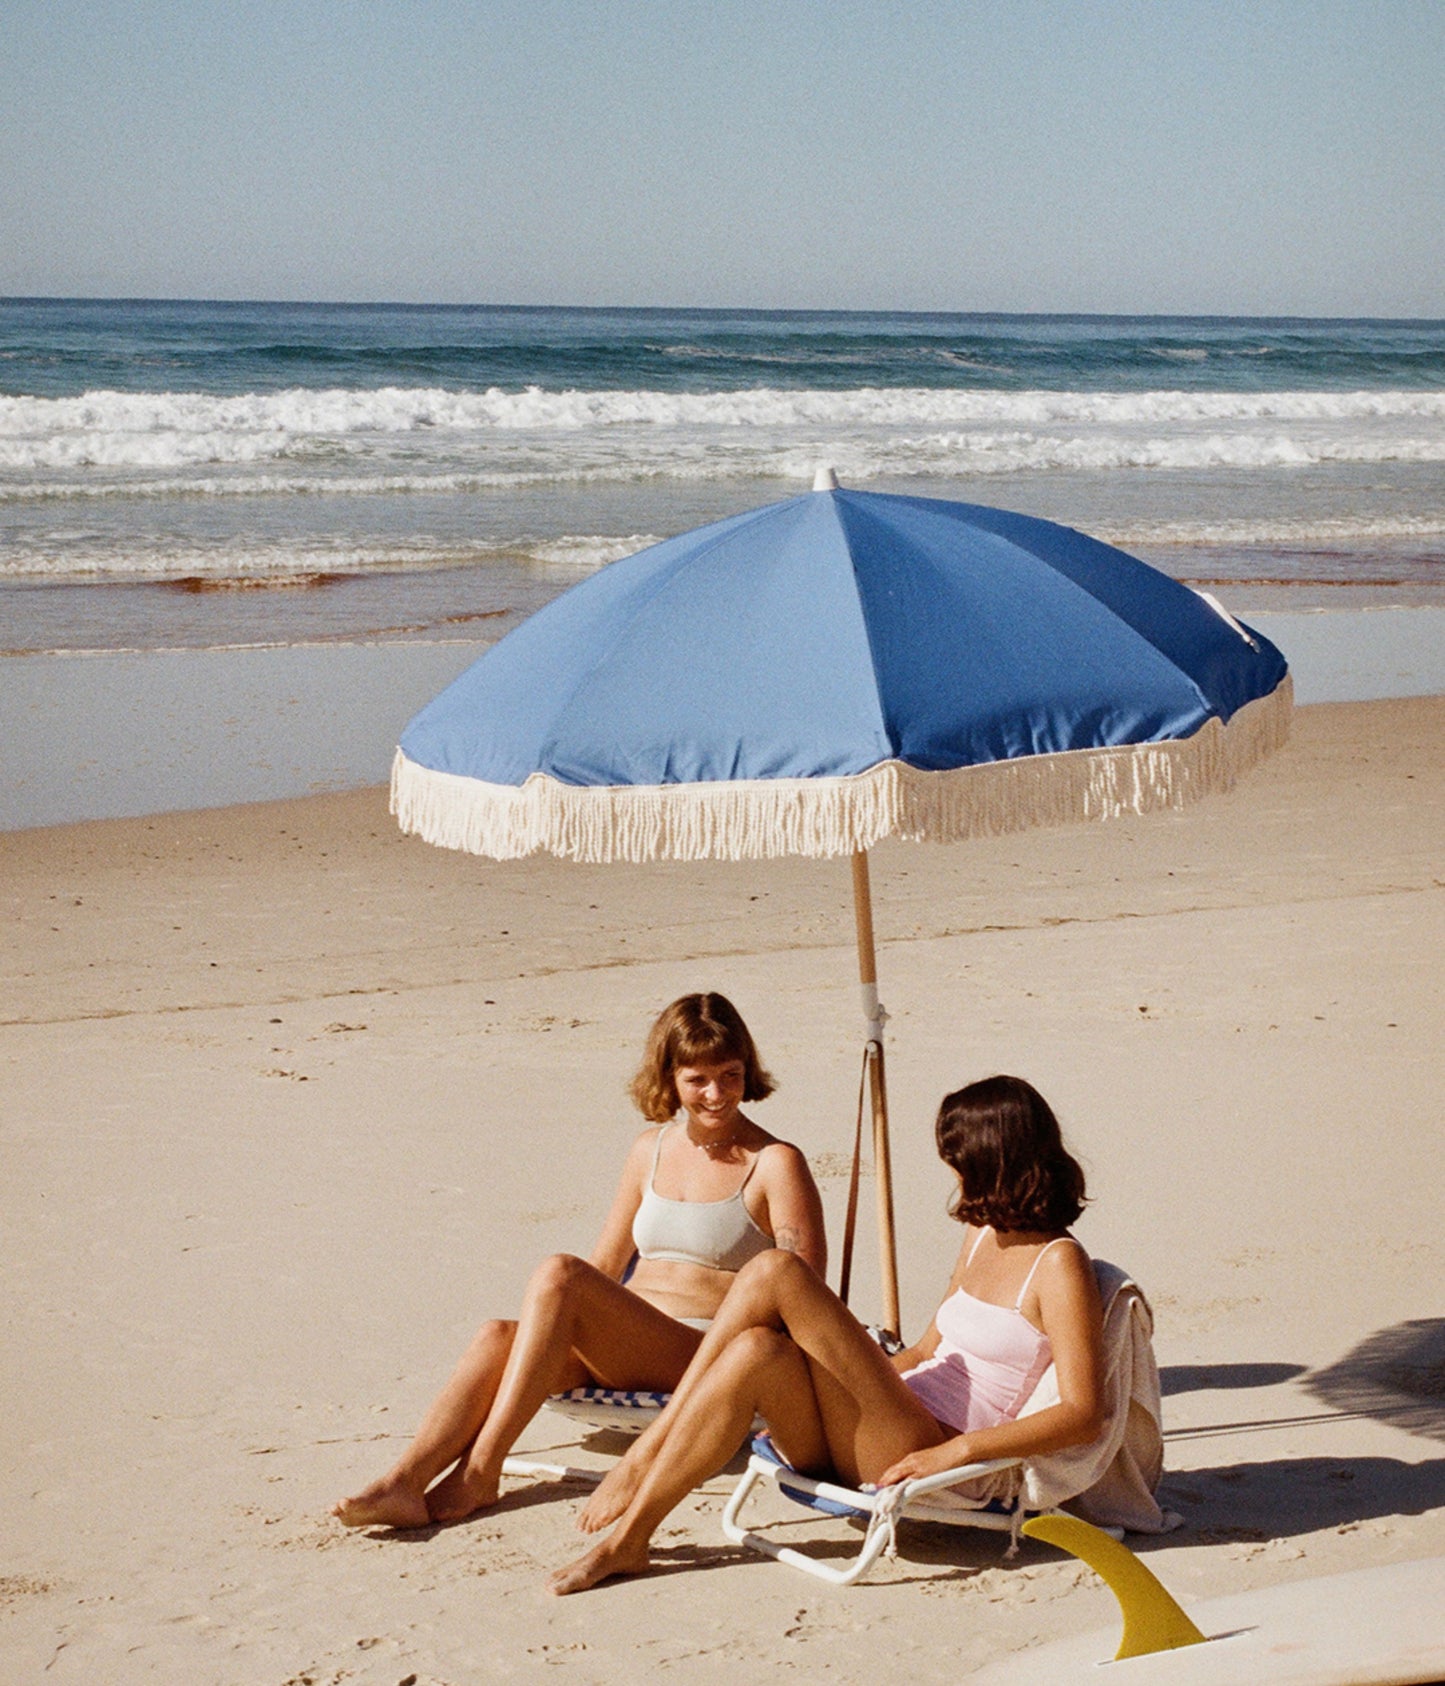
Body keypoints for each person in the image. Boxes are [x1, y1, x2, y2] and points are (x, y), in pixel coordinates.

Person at [550, 1074, 1104, 1594]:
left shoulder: (1060, 1266)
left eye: (959, 1162)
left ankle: (651, 1447)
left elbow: (1084, 1413)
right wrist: (841, 1374)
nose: (954, 1176)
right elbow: (927, 1350)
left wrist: (956, 1452)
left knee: (777, 1271)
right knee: (756, 1350)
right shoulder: (983, 1236)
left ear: (994, 1160)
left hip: (933, 1448)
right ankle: (630, 1542)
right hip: (881, 1425)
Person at [331, 992, 826, 1530]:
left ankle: (481, 1469)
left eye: (730, 1076)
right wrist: (561, 1331)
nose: (716, 1094)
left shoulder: (776, 1163)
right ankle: (404, 1479)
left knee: (559, 1273)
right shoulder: (649, 1151)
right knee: (498, 1335)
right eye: (697, 1080)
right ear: (669, 1077)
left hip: (702, 1351)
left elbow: (803, 1290)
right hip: (628, 1346)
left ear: (747, 1070)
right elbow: (608, 1262)